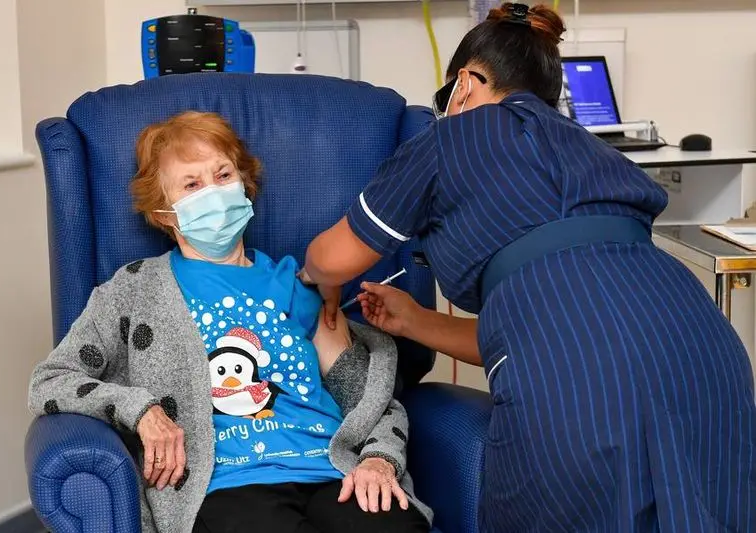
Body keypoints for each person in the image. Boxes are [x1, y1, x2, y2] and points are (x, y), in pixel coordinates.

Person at [300, 3, 756, 532]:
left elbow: (332, 257)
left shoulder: (448, 140)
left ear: (465, 84)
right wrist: (413, 322)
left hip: (579, 383)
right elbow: (548, 323)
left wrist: (318, 284)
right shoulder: (592, 148)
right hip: (704, 354)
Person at [28, 111, 432, 533]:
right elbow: (50, 381)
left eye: (223, 175)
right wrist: (141, 410)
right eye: (192, 185)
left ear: (244, 185)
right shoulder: (134, 290)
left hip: (333, 471)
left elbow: (367, 400)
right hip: (229, 484)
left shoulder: (298, 287)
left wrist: (378, 461)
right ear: (165, 213)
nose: (214, 193)